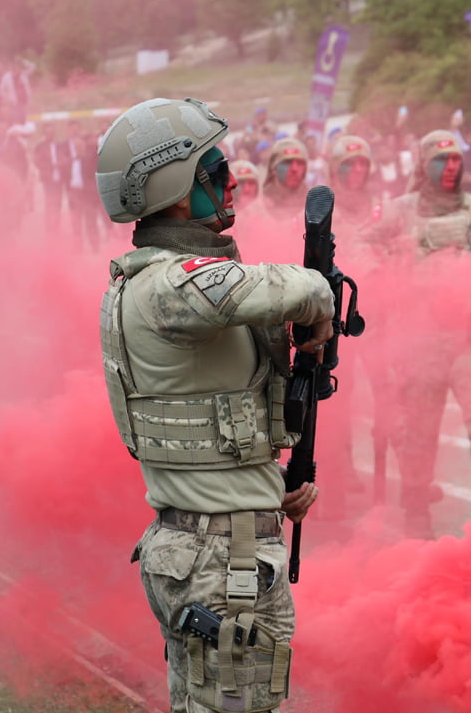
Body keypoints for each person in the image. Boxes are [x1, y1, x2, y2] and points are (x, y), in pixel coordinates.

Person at [96, 97, 333, 713]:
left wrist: (257, 492)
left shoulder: (145, 282)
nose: (231, 181)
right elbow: (302, 287)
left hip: (205, 547)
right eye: (213, 169)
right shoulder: (170, 284)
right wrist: (319, 303)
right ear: (176, 190)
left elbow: (203, 426)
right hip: (219, 563)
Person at [371, 130, 471, 537]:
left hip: (467, 340)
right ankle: (416, 515)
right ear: (424, 165)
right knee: (419, 435)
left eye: (457, 159)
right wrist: (390, 271)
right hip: (421, 340)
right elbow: (359, 247)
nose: (451, 167)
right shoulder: (399, 211)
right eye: (442, 160)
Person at [260, 137, 310, 219]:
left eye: (300, 163)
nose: (295, 169)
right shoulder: (257, 210)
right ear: (273, 169)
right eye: (287, 162)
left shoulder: (316, 207)